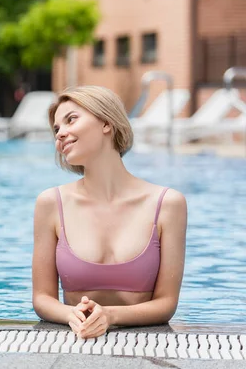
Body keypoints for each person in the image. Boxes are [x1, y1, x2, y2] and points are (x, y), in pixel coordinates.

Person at [32, 86, 187, 339]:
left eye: (71, 119)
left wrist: (110, 316)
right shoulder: (50, 203)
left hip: (144, 344)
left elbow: (166, 303)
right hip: (75, 340)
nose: (60, 134)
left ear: (106, 123)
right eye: (56, 129)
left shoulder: (168, 204)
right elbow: (42, 298)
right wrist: (69, 314)